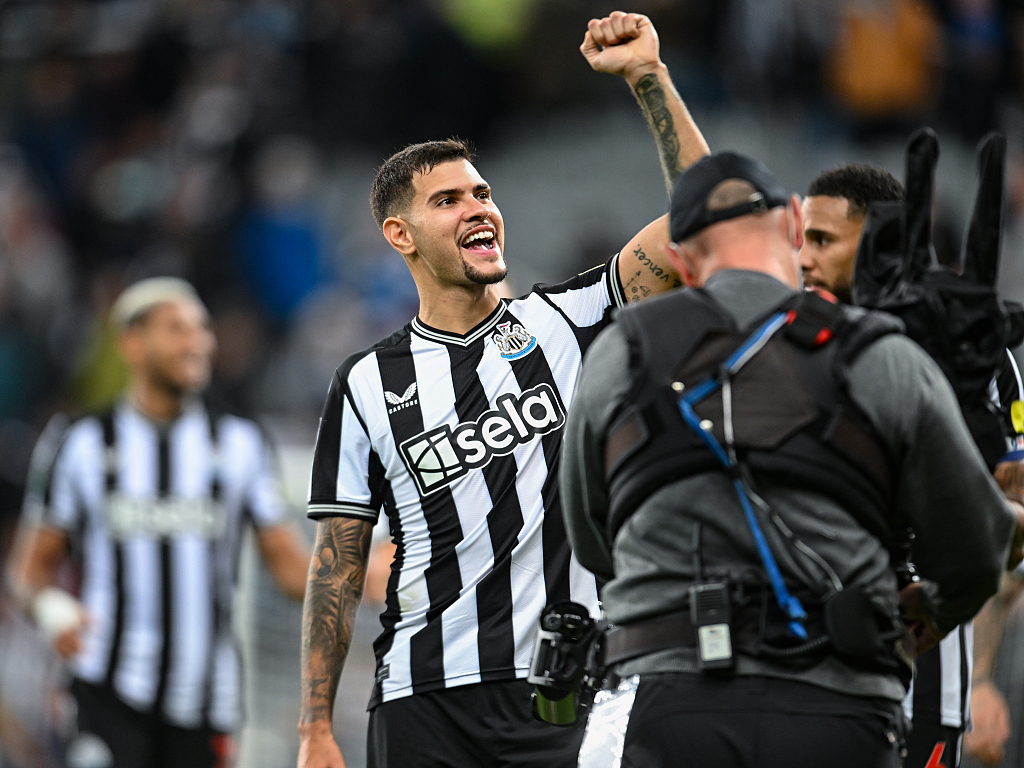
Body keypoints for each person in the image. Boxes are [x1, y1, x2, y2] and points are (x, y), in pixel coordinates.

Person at [296, 11, 711, 768]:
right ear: (400, 235)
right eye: (448, 200)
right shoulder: (363, 383)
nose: (479, 207)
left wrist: (650, 79)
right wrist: (315, 727)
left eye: (482, 192)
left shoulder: (569, 320)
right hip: (423, 700)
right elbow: (337, 562)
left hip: (566, 691)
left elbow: (708, 227)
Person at [560, 150, 1024, 767]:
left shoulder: (623, 349)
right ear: (792, 224)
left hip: (673, 691)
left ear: (678, 261)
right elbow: (976, 547)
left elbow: (593, 540)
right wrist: (931, 611)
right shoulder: (883, 354)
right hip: (842, 702)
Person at [6, 277, 310, 768]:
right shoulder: (79, 444)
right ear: (132, 342)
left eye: (201, 330)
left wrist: (359, 571)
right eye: (176, 329)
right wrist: (47, 608)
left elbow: (292, 571)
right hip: (107, 691)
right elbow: (28, 570)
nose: (197, 343)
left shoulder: (240, 444)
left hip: (207, 702)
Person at [799, 160, 1024, 768]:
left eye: (821, 240)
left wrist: (972, 670)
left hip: (922, 676)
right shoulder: (777, 340)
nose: (802, 260)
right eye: (799, 240)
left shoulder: (974, 351)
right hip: (793, 669)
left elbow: (1011, 528)